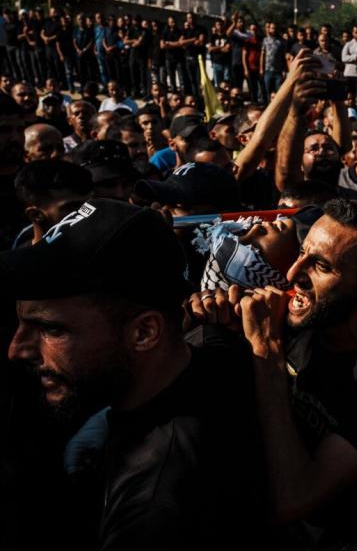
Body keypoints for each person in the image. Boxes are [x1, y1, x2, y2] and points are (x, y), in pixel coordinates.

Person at [2, 199, 269, 548]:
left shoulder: (154, 508)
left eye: (50, 329)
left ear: (144, 333)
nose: (16, 349)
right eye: (21, 322)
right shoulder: (213, 351)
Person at [192, 198, 357, 548]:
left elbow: (295, 499)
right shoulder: (304, 320)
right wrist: (225, 334)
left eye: (320, 265)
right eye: (301, 253)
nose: (293, 274)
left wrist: (265, 350)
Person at [11, 159, 92, 247]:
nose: (89, 210)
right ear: (36, 215)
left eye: (91, 203)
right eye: (74, 207)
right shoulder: (20, 259)